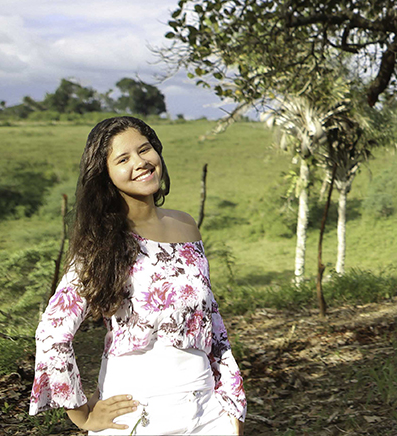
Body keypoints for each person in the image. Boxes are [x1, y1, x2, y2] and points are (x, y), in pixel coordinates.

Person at [29, 116, 246, 434]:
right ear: (106, 175)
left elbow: (212, 321)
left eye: (145, 150)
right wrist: (82, 415)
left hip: (207, 412)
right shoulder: (102, 243)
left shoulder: (185, 225)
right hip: (137, 414)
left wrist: (232, 405)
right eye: (123, 158)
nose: (141, 162)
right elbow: (52, 334)